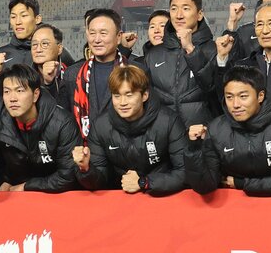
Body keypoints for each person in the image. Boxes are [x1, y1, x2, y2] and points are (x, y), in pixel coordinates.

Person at [184, 65, 271, 195]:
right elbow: (205, 186)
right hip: (238, 206)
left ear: (260, 96)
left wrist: (243, 184)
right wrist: (195, 148)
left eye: (243, 96)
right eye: (229, 97)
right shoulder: (216, 129)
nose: (235, 105)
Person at [72, 64, 187, 195]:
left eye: (129, 95)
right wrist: (86, 168)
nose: (122, 103)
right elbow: (99, 182)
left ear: (145, 95)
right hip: (119, 199)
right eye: (117, 96)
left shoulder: (168, 121)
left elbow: (184, 172)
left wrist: (144, 182)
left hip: (160, 196)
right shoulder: (100, 126)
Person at [0, 63, 78, 192]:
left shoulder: (62, 122)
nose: (12, 98)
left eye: (19, 91)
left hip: (53, 194)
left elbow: (68, 176)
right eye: (7, 91)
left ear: (35, 94)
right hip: (14, 193)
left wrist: (26, 187)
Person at [136, 0, 218, 128]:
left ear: (199, 14)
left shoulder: (213, 49)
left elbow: (213, 89)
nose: (179, 15)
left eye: (186, 8)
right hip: (165, 139)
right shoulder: (154, 55)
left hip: (204, 136)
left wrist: (190, 49)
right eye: (174, 9)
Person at [60, 9, 134, 140]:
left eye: (103, 33)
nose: (97, 39)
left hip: (126, 148)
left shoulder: (136, 71)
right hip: (85, 150)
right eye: (92, 33)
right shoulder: (72, 74)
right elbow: (63, 118)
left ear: (118, 37)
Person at [0, 0, 43, 70]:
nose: (18, 22)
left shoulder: (53, 51)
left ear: (37, 19)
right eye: (13, 17)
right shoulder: (0, 54)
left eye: (24, 16)